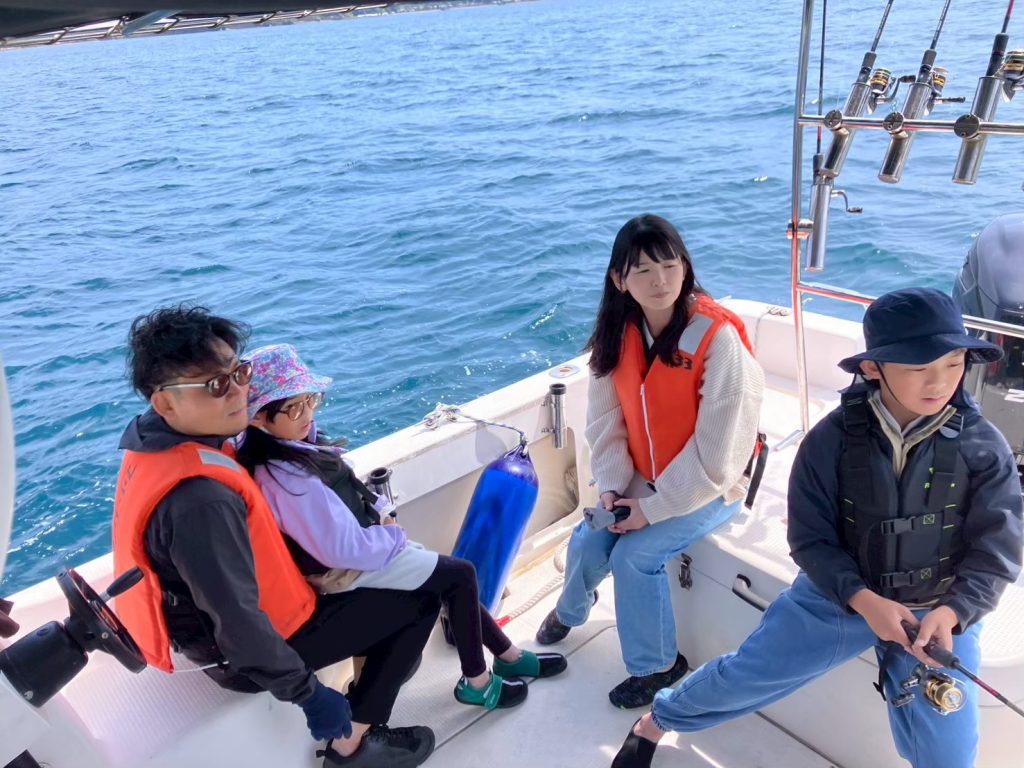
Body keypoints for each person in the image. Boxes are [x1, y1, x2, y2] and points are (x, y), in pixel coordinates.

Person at [611, 287, 1024, 768]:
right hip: (839, 595)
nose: (940, 381)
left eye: (954, 363)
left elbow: (998, 548)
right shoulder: (830, 441)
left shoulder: (984, 447)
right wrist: (863, 601)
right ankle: (659, 719)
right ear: (873, 368)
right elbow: (810, 539)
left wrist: (954, 612)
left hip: (938, 611)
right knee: (749, 673)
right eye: (919, 368)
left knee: (949, 752)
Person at [111, 306, 440, 768]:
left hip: (235, 621)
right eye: (215, 385)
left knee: (373, 589)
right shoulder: (199, 502)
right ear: (165, 403)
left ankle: (368, 686)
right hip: (242, 656)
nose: (238, 392)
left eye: (239, 372)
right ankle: (353, 744)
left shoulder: (159, 439)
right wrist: (310, 696)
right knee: (419, 602)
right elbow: (239, 626)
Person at [234, 343, 568, 712]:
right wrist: (391, 536)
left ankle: (508, 656)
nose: (307, 413)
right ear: (258, 419)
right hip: (349, 569)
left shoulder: (295, 450)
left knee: (452, 578)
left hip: (364, 552)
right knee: (460, 575)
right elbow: (339, 549)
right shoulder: (286, 478)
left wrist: (384, 519)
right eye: (293, 408)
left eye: (310, 400)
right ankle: (478, 682)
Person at [535, 214, 765, 708]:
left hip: (713, 484)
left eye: (669, 265)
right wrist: (613, 487)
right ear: (619, 280)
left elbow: (719, 457)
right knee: (589, 537)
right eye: (642, 270)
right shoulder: (616, 334)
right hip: (645, 474)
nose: (660, 280)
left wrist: (652, 509)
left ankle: (659, 666)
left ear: (686, 268)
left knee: (634, 557)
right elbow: (605, 424)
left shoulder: (718, 340)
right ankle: (570, 612)